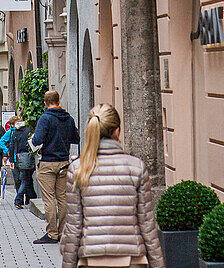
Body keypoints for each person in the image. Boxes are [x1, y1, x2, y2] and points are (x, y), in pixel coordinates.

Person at [61, 105, 164, 268]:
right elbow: (147, 224)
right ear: (117, 131)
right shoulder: (136, 167)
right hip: (131, 259)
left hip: (90, 259)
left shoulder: (78, 169)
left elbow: (74, 226)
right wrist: (157, 263)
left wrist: (68, 264)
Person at [31, 89, 80, 245]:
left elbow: (38, 139)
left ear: (45, 103)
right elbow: (76, 138)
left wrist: (33, 139)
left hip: (48, 163)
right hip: (64, 162)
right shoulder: (68, 119)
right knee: (63, 199)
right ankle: (63, 232)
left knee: (49, 199)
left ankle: (52, 233)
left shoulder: (45, 119)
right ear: (58, 101)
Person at [9, 114, 36, 208]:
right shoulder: (29, 130)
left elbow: (12, 146)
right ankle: (18, 199)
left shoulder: (16, 131)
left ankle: (31, 197)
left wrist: (11, 160)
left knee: (26, 179)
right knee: (25, 179)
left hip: (19, 157)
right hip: (27, 157)